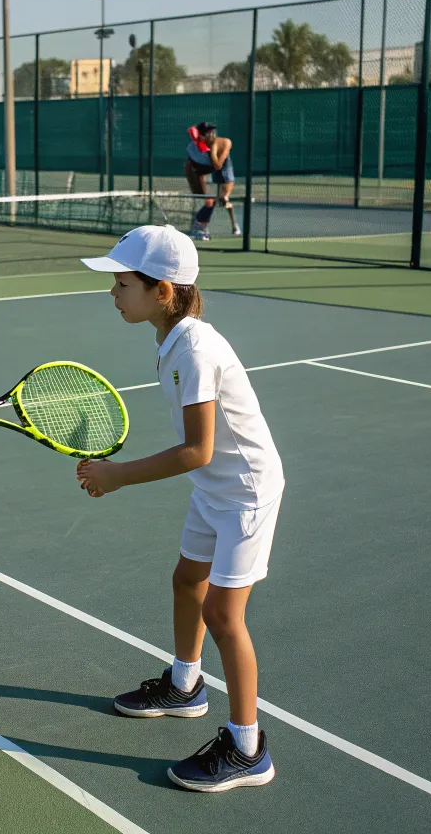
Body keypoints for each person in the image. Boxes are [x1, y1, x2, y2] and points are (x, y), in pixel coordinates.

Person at [76, 225, 283, 792]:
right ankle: (185, 686)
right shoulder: (173, 336)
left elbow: (198, 449)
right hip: (214, 488)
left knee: (222, 615)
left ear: (162, 291)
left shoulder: (193, 348)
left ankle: (248, 749)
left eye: (122, 284)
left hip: (245, 493)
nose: (113, 293)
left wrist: (118, 477)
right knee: (187, 580)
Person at [184, 123, 240, 240]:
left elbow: (218, 165)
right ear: (201, 135)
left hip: (223, 165)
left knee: (224, 199)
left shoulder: (223, 143)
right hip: (209, 167)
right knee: (211, 200)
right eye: (209, 132)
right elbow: (194, 167)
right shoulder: (193, 148)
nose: (212, 134)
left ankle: (234, 225)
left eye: (213, 131)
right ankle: (201, 224)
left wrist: (211, 151)